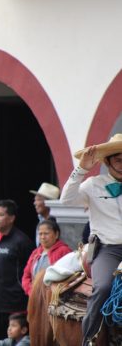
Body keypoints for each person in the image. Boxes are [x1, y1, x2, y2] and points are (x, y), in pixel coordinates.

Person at [59, 133, 122, 345]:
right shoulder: (93, 184)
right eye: (118, 159)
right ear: (107, 161)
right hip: (108, 249)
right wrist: (82, 169)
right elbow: (66, 200)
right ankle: (89, 339)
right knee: (103, 287)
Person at [0, 199, 34, 344]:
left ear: (11, 218)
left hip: (15, 305)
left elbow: (29, 272)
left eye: (1, 214)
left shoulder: (22, 241)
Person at [21, 219, 72, 295]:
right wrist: (31, 291)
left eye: (46, 233)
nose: (43, 237)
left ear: (56, 234)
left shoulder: (64, 251)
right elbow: (26, 275)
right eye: (40, 234)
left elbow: (69, 276)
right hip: (35, 297)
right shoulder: (35, 253)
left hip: (55, 298)